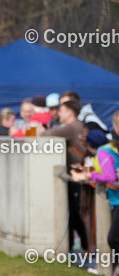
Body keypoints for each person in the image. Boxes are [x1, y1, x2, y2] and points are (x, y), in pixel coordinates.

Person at [73, 114, 119, 276]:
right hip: (114, 198)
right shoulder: (108, 150)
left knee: (113, 238)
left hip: (115, 199)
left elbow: (109, 176)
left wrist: (91, 176)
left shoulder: (104, 152)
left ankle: (111, 270)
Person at [46, 99, 90, 254]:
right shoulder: (76, 126)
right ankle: (81, 247)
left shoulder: (72, 127)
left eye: (62, 110)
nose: (59, 113)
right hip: (78, 176)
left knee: (74, 214)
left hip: (77, 178)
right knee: (74, 213)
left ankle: (84, 248)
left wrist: (40, 129)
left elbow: (47, 134)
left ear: (70, 112)